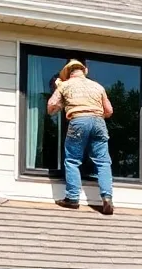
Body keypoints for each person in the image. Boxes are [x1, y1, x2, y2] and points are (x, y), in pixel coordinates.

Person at [47, 59, 115, 215]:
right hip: (99, 122)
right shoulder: (98, 86)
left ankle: (72, 198)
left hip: (78, 120)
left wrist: (61, 104)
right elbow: (109, 110)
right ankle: (107, 198)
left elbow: (51, 106)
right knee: (103, 161)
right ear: (84, 71)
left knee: (72, 160)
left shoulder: (65, 85)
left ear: (68, 73)